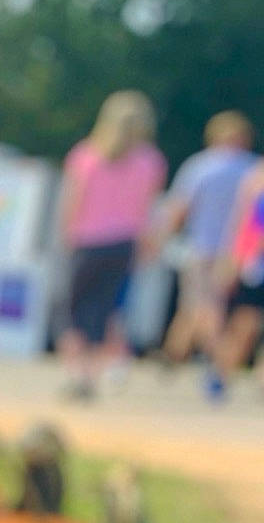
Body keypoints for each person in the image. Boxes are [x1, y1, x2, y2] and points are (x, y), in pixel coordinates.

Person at [57, 91, 167, 398]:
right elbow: (150, 209)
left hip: (87, 241)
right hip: (124, 243)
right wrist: (150, 244)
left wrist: (67, 236)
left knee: (74, 310)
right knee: (106, 310)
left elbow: (72, 202)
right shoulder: (150, 161)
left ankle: (76, 373)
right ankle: (95, 371)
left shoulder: (85, 155)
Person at [145, 112, 255, 368]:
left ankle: (218, 361)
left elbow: (179, 207)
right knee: (199, 304)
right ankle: (173, 355)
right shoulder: (252, 169)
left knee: (202, 304)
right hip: (237, 250)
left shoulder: (200, 166)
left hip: (201, 246)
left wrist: (160, 238)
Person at [207, 154, 264, 397]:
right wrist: (235, 259)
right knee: (245, 323)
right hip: (256, 261)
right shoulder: (258, 177)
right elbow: (249, 223)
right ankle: (222, 373)